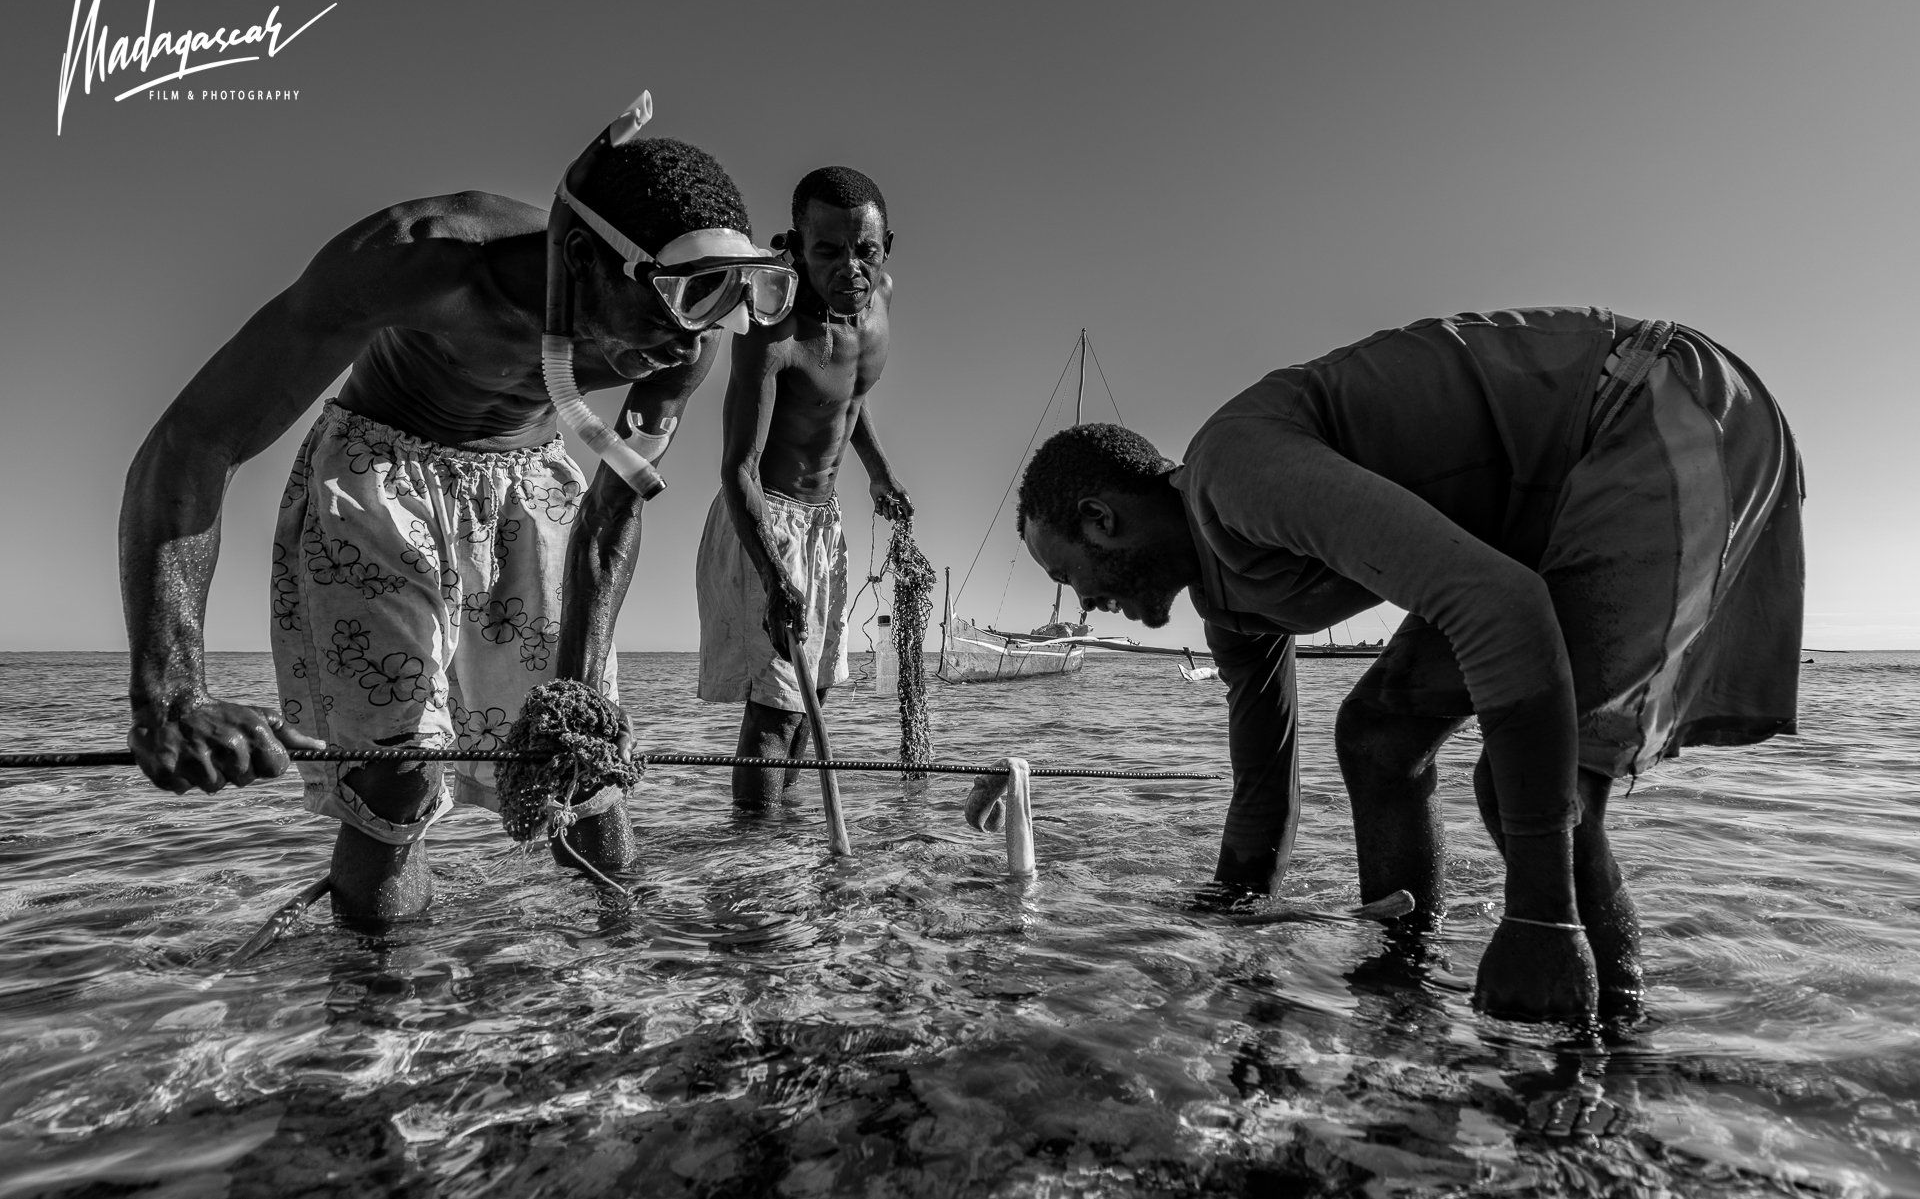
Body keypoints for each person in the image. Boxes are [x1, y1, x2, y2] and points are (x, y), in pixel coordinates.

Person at [1014, 308, 1803, 1025]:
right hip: (1537, 514)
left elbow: (1503, 609)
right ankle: (1403, 1001)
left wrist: (1538, 915)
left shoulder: (1235, 475)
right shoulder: (1231, 609)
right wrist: (1224, 929)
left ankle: (1609, 1040)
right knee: (1377, 737)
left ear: (1100, 519)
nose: (1083, 602)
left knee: (1530, 785)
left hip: (1649, 405)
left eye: (1065, 574)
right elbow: (1262, 788)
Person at [120, 99, 797, 923]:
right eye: (678, 304)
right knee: (396, 779)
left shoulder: (691, 327)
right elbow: (195, 441)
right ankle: (381, 991)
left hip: (534, 490)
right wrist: (170, 692)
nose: (691, 344)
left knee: (585, 771)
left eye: (721, 305)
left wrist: (578, 693)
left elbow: (613, 510)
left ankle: (623, 966)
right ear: (582, 257)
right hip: (380, 480)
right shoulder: (422, 259)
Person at [698, 166, 910, 802]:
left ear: (886, 247)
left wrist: (879, 473)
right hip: (762, 522)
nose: (850, 268)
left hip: (824, 524)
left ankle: (785, 847)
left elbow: (846, 396)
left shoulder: (880, 299)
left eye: (865, 250)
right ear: (796, 246)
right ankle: (754, 855)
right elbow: (737, 469)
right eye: (828, 251)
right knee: (775, 714)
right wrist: (773, 577)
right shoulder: (773, 330)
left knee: (812, 699)